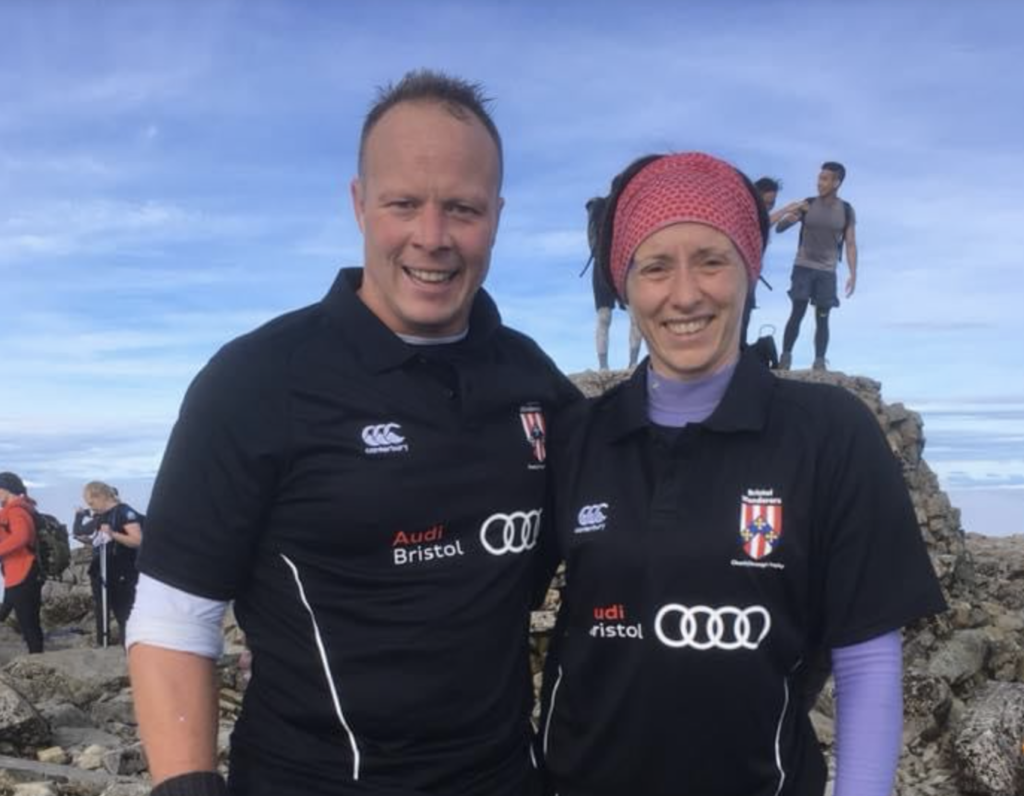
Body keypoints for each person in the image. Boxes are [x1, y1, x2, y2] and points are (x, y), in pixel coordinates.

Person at [127, 69, 578, 796]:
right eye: (404, 203)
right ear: (359, 204)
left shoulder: (532, 378)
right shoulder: (257, 379)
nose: (431, 238)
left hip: (504, 777)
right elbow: (175, 615)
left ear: (496, 215)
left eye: (461, 209)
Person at [539, 152, 946, 796]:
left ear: (750, 268)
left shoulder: (830, 433)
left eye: (711, 259)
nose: (685, 293)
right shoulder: (578, 435)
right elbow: (489, 607)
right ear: (624, 283)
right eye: (654, 267)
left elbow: (867, 655)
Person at [774, 161, 858, 371]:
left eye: (824, 179)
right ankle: (785, 359)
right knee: (797, 312)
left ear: (836, 182)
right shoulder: (808, 204)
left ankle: (819, 362)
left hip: (827, 272)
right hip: (803, 267)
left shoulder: (846, 210)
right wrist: (793, 212)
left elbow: (851, 243)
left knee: (823, 317)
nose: (819, 183)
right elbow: (781, 228)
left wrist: (853, 274)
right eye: (819, 178)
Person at [73, 481, 142, 646]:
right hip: (104, 569)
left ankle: (130, 648)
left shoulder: (125, 512)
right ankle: (103, 644)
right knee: (103, 609)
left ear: (101, 496)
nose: (91, 507)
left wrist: (112, 534)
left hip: (123, 571)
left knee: (124, 612)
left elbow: (138, 540)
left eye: (91, 502)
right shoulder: (104, 515)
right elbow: (99, 538)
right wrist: (91, 541)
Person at [586, 196, 641, 370]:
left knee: (634, 316)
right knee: (605, 316)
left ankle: (632, 363)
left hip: (621, 264)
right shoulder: (599, 207)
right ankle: (604, 366)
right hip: (603, 264)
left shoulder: (625, 209)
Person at [0, 471, 44, 654]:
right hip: (16, 572)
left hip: (22, 571)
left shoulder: (17, 510)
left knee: (28, 621)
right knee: (8, 610)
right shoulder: (18, 508)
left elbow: (21, 536)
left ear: (6, 489)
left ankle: (38, 660)